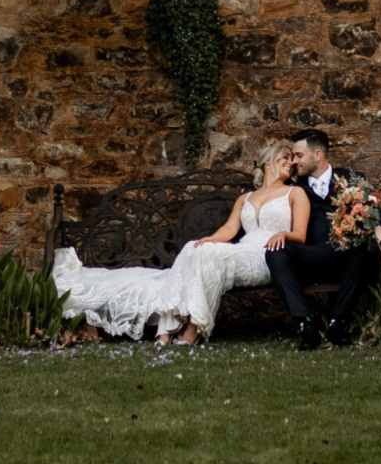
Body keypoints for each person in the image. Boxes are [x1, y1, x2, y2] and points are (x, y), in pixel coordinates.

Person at [51, 141, 307, 344]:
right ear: (267, 162)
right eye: (285, 158)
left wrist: (284, 234)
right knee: (194, 248)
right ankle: (167, 329)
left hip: (268, 256)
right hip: (242, 249)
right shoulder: (246, 197)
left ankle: (191, 331)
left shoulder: (295, 193)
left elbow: (301, 234)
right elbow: (230, 229)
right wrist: (210, 239)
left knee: (210, 257)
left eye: (293, 163)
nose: (291, 164)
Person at [264, 127, 381, 350]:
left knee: (366, 247)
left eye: (299, 155)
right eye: (293, 156)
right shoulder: (294, 188)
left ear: (318, 155)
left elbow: (379, 209)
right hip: (310, 256)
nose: (294, 161)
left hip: (345, 257)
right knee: (275, 251)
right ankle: (306, 326)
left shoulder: (353, 179)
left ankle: (338, 322)